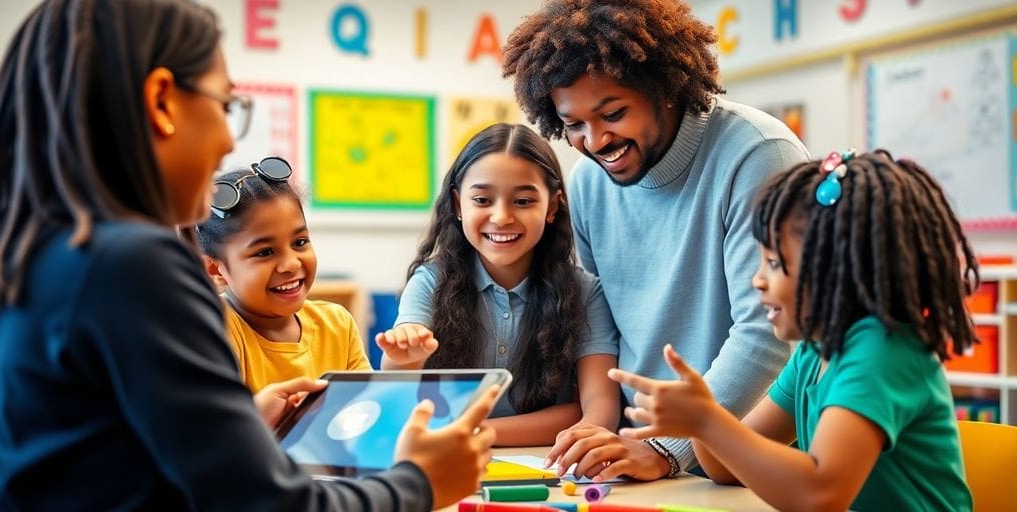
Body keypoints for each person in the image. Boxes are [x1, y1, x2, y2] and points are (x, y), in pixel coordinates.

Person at [0, 1, 496, 510]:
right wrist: (420, 482)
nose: (229, 138)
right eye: (226, 105)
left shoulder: (37, 250)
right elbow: (262, 504)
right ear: (162, 101)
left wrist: (241, 433)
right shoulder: (129, 264)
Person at [502, 0, 809, 478]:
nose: (596, 140)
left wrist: (668, 448)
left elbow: (765, 334)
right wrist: (609, 433)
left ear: (663, 87)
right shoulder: (586, 184)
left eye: (613, 113)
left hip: (746, 459)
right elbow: (602, 329)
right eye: (574, 125)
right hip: (635, 454)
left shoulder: (757, 154)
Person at [610, 150, 976, 511]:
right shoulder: (815, 351)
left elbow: (820, 494)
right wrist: (701, 419)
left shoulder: (884, 351)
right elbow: (725, 469)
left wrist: (708, 421)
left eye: (773, 262)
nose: (758, 280)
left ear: (836, 269)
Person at [377, 123, 620, 446]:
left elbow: (596, 409)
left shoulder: (585, 292)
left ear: (552, 206)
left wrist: (471, 431)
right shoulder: (430, 282)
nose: (502, 216)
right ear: (457, 205)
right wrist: (403, 356)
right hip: (444, 459)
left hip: (544, 467)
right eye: (482, 199)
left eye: (522, 201)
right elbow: (399, 390)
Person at [196, 158, 371, 394]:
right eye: (265, 252)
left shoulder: (337, 324)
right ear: (215, 270)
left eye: (300, 242)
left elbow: (362, 410)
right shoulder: (215, 326)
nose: (290, 263)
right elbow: (213, 426)